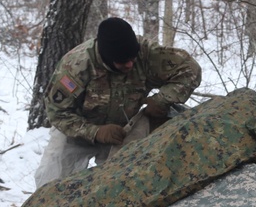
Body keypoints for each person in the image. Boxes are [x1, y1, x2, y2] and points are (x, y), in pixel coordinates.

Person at [33, 17, 202, 188]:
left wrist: (162, 100)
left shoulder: (146, 53)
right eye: (122, 61)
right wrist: (94, 132)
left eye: (132, 58)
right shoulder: (76, 66)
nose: (129, 64)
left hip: (123, 130)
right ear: (106, 58)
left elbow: (190, 70)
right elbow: (57, 113)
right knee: (50, 180)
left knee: (127, 183)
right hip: (76, 129)